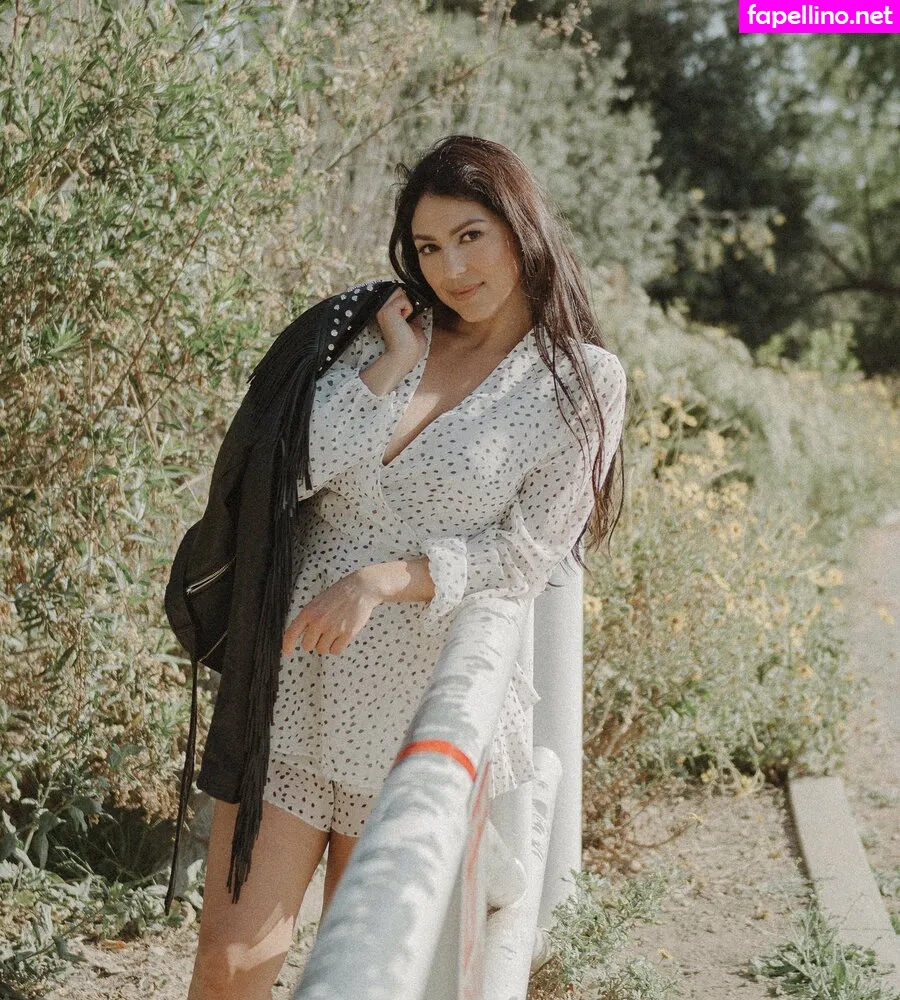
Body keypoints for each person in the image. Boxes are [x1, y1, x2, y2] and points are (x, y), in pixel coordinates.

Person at [186, 133, 627, 1000]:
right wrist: (388, 366)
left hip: (415, 718)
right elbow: (290, 473)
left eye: (470, 237)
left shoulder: (581, 382)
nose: (451, 268)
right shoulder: (386, 332)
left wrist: (387, 578)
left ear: (521, 229)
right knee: (228, 965)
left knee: (367, 975)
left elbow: (529, 553)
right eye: (428, 247)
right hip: (296, 689)